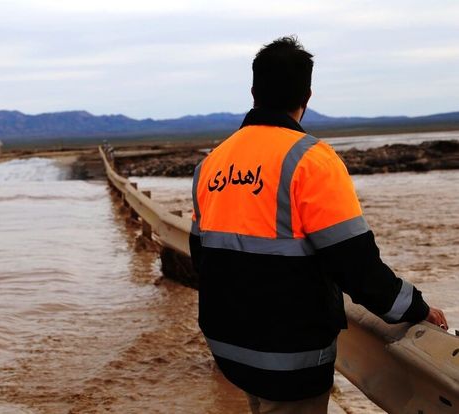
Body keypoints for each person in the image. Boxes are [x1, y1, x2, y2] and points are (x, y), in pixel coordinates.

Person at [189, 36, 447, 414]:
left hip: (231, 349)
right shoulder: (312, 161)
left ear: (253, 92)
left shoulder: (211, 163)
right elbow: (355, 266)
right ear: (307, 97)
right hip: (290, 360)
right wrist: (416, 307)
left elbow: (203, 258)